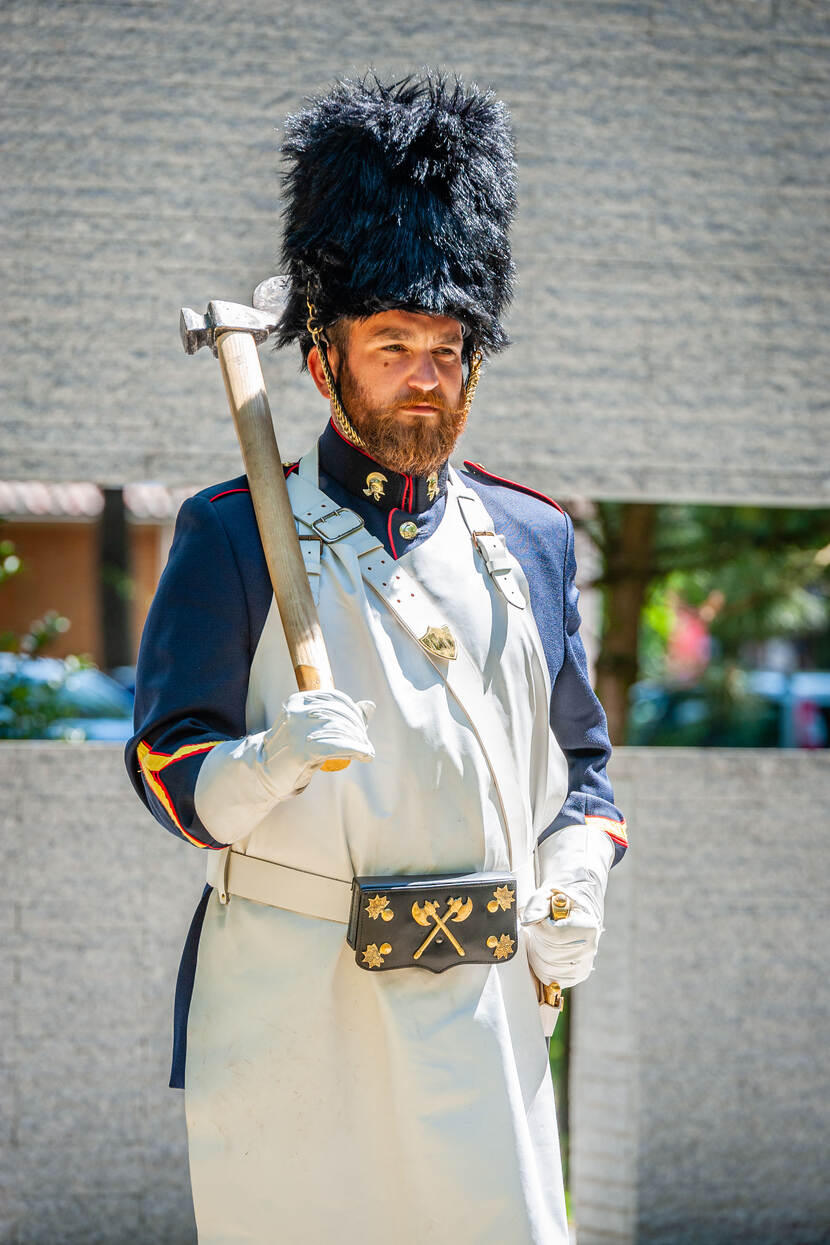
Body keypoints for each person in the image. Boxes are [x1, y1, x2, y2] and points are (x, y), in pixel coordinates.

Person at [126, 72, 627, 1245]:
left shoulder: (536, 537)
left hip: (486, 1005)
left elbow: (584, 772)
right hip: (297, 1002)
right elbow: (166, 766)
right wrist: (265, 761)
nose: (422, 374)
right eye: (390, 343)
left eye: (446, 350)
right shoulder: (233, 531)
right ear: (321, 363)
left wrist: (575, 878)